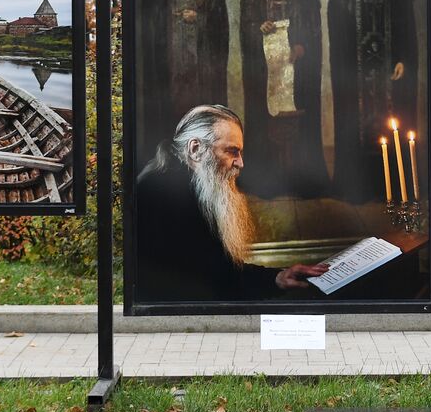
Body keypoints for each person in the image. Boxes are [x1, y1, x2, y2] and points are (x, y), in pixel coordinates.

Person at [134, 104, 327, 303]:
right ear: (195, 149)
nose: (240, 163)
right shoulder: (159, 197)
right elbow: (185, 286)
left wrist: (278, 277)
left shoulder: (198, 190)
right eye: (231, 151)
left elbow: (221, 272)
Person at [327, 0, 418, 201]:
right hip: (357, 72)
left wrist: (404, 57)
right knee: (357, 125)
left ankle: (391, 189)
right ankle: (357, 188)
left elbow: (406, 20)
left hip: (389, 71)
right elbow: (336, 18)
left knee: (392, 123)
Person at [238, 0, 328, 197]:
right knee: (267, 123)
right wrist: (258, 27)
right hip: (268, 70)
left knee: (298, 122)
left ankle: (303, 181)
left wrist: (303, 48)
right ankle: (266, 181)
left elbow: (314, 26)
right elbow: (246, 22)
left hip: (298, 68)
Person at [139, 0, 229, 148]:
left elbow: (219, 16)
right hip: (171, 59)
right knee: (173, 109)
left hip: (202, 60)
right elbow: (147, 13)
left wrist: (199, 17)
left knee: (200, 107)